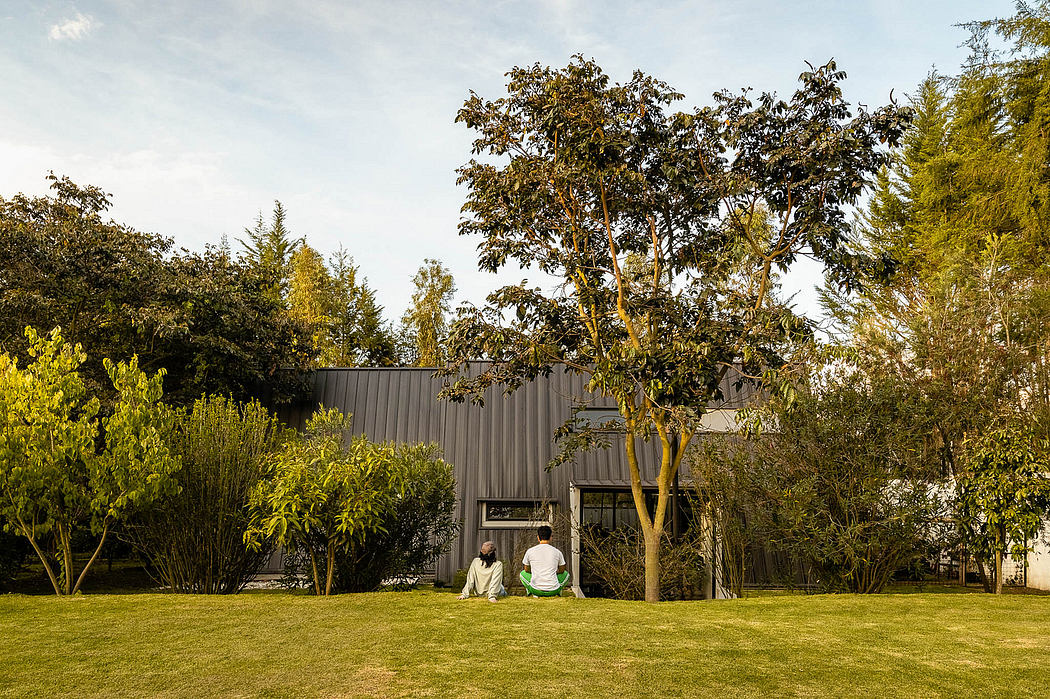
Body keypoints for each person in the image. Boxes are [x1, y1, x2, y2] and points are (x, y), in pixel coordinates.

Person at [520, 525, 567, 595]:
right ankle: (558, 592)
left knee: (522, 574)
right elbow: (562, 570)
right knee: (566, 574)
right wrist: (553, 572)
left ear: (538, 538)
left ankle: (530, 592)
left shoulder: (530, 551)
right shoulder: (557, 552)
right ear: (551, 537)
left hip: (536, 589)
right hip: (553, 589)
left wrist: (535, 572)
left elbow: (526, 569)